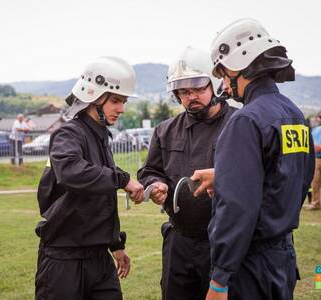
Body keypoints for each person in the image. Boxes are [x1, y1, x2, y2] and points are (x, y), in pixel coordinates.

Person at [190, 18, 315, 300]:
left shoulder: (245, 120)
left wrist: (219, 279)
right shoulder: (294, 114)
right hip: (282, 258)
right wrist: (225, 175)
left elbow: (236, 207)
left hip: (249, 265)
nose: (223, 83)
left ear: (239, 65)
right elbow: (292, 178)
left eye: (223, 74)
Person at [34, 56, 145, 300]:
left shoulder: (101, 137)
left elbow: (102, 198)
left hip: (99, 259)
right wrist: (123, 179)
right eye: (116, 100)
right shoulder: (68, 133)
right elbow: (71, 171)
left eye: (124, 101)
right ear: (94, 96)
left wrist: (115, 245)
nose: (122, 108)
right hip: (64, 260)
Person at [137, 47, 236, 300]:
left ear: (214, 84)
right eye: (183, 91)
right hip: (178, 242)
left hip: (223, 244)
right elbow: (149, 170)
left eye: (197, 88)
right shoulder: (165, 131)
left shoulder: (240, 125)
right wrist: (155, 184)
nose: (190, 96)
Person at [304, 111, 321, 210]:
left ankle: (316, 203)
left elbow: (317, 147)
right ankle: (316, 202)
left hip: (318, 158)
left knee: (316, 182)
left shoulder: (317, 130)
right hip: (316, 158)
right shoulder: (316, 130)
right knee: (315, 182)